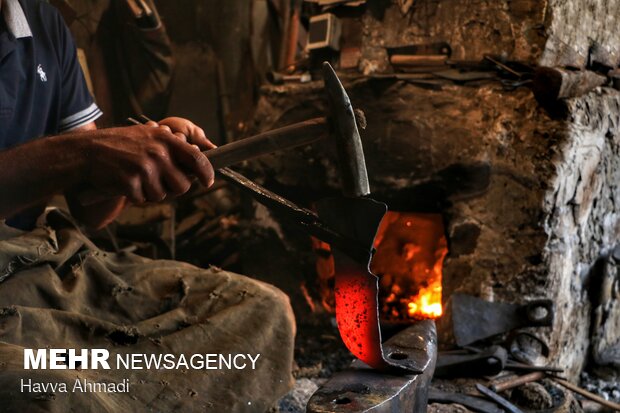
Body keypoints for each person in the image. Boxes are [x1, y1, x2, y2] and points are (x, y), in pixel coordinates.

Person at [0, 0, 295, 411]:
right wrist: (88, 153)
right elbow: (84, 154)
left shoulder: (44, 23)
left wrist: (144, 156)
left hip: (49, 265)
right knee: (52, 391)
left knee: (263, 311)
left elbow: (91, 209)